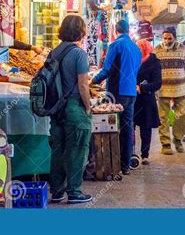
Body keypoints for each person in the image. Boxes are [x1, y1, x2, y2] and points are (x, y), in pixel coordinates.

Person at [49, 15, 92, 204]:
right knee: (76, 149)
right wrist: (89, 106)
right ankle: (74, 192)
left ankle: (57, 192)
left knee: (58, 150)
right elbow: (83, 84)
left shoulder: (54, 52)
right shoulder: (79, 54)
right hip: (74, 107)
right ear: (80, 31)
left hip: (56, 109)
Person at [92, 20, 141, 175]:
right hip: (131, 92)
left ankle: (110, 165)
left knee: (110, 127)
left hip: (117, 93)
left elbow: (106, 70)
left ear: (115, 30)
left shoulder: (116, 45)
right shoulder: (136, 48)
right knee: (127, 128)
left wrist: (92, 81)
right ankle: (125, 165)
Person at [153, 27, 185, 155]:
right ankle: (165, 144)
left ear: (175, 38)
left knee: (182, 116)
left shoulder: (182, 49)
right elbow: (153, 71)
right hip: (162, 89)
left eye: (169, 38)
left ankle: (177, 139)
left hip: (181, 89)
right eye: (164, 38)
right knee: (162, 118)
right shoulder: (157, 50)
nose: (166, 40)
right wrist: (153, 87)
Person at [133, 39, 162, 165]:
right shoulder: (134, 59)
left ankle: (145, 155)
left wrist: (142, 88)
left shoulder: (154, 61)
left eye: (141, 47)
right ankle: (131, 153)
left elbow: (157, 83)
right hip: (133, 97)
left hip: (146, 98)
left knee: (146, 127)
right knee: (130, 126)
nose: (139, 50)